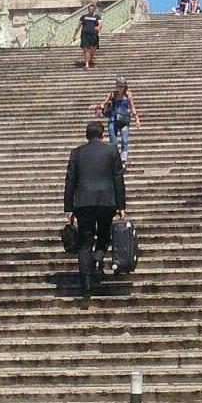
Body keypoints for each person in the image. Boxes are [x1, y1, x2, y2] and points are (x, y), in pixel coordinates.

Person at [63, 120, 126, 298]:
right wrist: (121, 205)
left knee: (85, 242)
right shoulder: (112, 151)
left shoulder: (76, 153)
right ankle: (98, 260)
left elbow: (70, 180)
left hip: (83, 202)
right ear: (102, 134)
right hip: (107, 200)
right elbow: (118, 179)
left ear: (87, 135)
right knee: (104, 235)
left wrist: (69, 207)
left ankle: (87, 284)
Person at [94, 76, 140, 169]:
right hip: (113, 120)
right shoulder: (112, 95)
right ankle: (115, 159)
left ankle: (123, 159)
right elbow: (104, 103)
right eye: (119, 86)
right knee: (113, 142)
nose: (120, 88)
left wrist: (137, 119)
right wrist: (98, 106)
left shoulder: (128, 95)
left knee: (124, 140)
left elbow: (132, 106)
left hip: (124, 120)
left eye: (122, 86)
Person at [79, 1, 101, 69]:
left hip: (94, 35)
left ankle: (90, 59)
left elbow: (100, 23)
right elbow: (79, 25)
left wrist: (98, 27)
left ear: (94, 10)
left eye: (92, 9)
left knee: (93, 49)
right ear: (88, 10)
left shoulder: (97, 17)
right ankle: (87, 64)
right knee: (86, 49)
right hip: (85, 35)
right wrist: (75, 34)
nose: (91, 10)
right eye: (90, 9)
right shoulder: (83, 16)